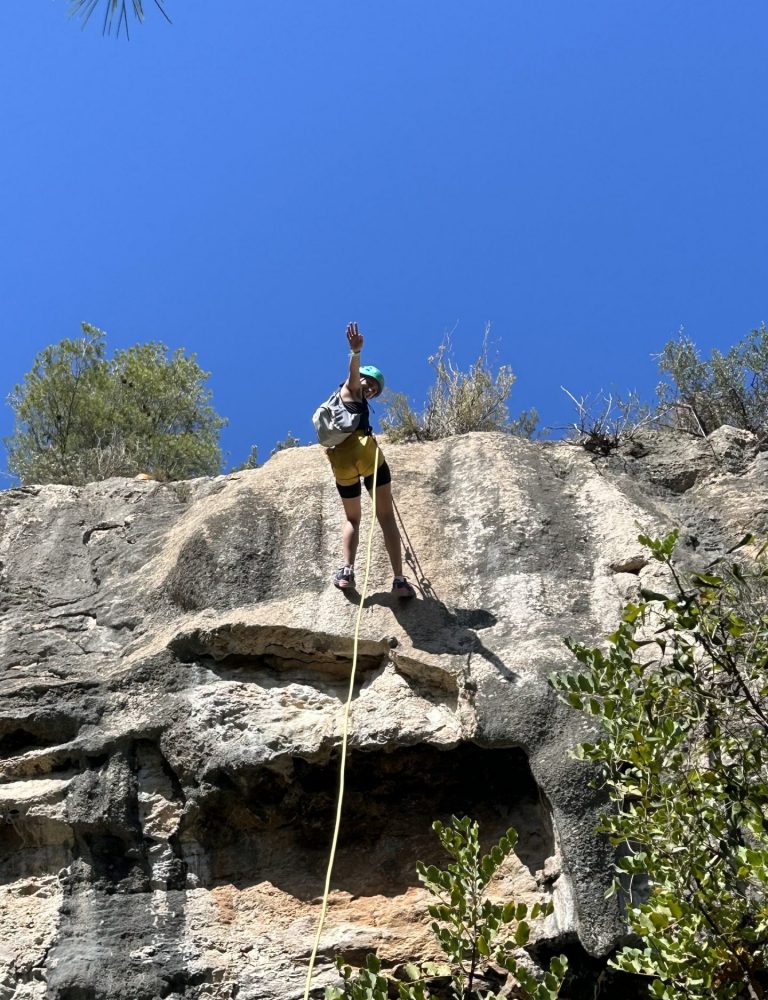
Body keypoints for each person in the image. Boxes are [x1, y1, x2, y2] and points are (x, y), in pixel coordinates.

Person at [325, 322, 416, 598]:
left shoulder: (336, 402)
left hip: (341, 462)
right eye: (370, 383)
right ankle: (399, 580)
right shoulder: (352, 388)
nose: (371, 389)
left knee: (352, 519)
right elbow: (354, 373)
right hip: (366, 453)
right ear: (362, 378)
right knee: (386, 516)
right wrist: (355, 352)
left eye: (375, 389)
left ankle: (346, 571)